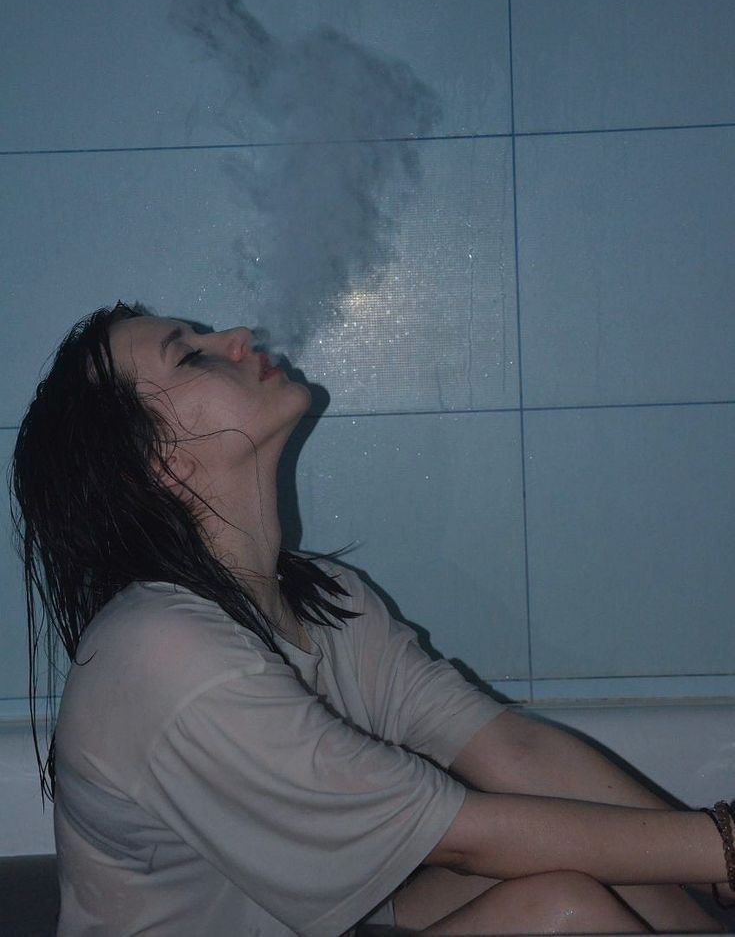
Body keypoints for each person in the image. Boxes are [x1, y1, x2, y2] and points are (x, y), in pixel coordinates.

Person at [10, 301, 735, 936]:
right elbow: (462, 837)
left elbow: (510, 752)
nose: (233, 335)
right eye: (191, 353)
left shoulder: (326, 599)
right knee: (562, 908)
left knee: (617, 868)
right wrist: (723, 846)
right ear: (162, 463)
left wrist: (714, 861)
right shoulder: (160, 651)